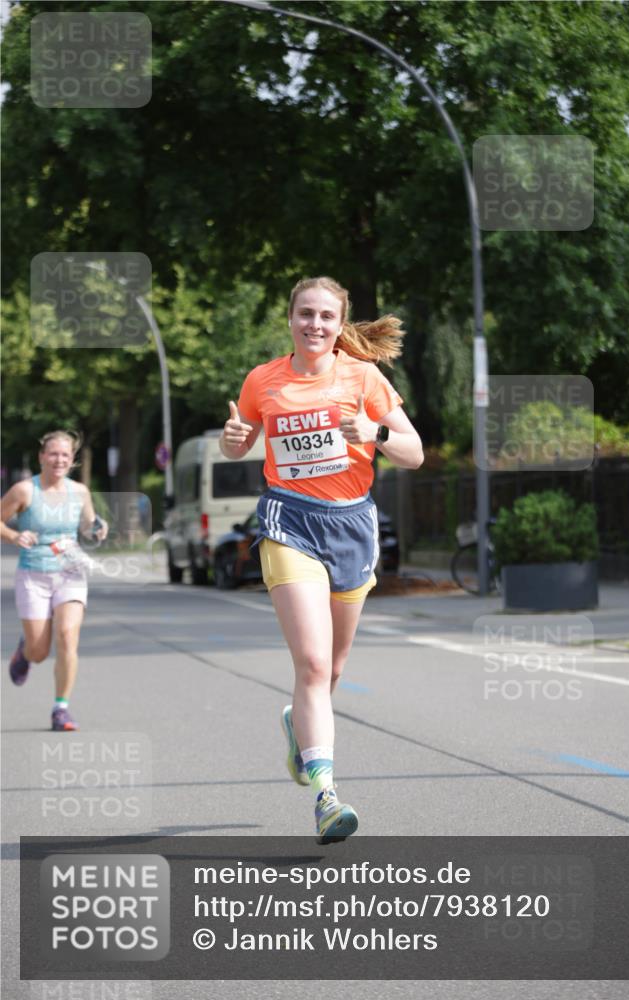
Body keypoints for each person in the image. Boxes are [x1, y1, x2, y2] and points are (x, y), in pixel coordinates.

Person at [220, 276, 423, 843]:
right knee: (311, 664)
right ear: (290, 319)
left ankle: (298, 726)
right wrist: (233, 438)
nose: (315, 324)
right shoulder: (264, 379)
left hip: (352, 525)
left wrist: (375, 430)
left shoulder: (363, 377)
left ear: (340, 325)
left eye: (326, 317)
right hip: (289, 520)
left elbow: (415, 453)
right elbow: (239, 441)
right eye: (305, 314)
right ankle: (327, 796)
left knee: (330, 670)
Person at [1, 430, 108, 731]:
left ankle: (61, 708)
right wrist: (13, 534)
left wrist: (98, 527)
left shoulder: (80, 492)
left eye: (65, 454)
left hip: (70, 573)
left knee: (67, 636)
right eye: (53, 454)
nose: (59, 459)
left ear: (72, 460)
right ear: (42, 457)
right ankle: (25, 651)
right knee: (39, 651)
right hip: (33, 575)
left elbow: (88, 524)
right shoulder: (24, 491)